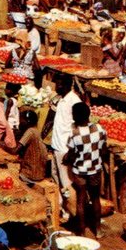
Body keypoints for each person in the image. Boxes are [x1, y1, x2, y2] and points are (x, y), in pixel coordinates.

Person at [65, 102, 107, 238]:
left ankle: (82, 231)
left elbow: (71, 154)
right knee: (95, 199)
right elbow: (103, 149)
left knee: (80, 200)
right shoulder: (100, 129)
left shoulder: (74, 134)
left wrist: (66, 159)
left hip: (80, 171)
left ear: (75, 117)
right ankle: (98, 230)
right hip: (95, 169)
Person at [50, 77, 82, 220]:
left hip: (64, 149)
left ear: (67, 85)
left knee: (67, 183)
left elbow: (78, 127)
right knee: (56, 180)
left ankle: (72, 213)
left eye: (59, 83)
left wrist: (71, 149)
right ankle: (62, 209)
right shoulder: (62, 99)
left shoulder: (74, 101)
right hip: (56, 146)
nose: (57, 86)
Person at [16, 109, 49, 185]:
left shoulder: (30, 132)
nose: (20, 122)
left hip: (30, 175)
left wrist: (2, 145)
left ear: (27, 121)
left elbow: (15, 150)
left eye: (21, 120)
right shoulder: (36, 131)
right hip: (39, 174)